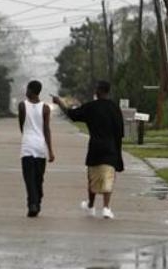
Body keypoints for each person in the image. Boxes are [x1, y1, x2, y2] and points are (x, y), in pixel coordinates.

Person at [52, 80, 124, 219]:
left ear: (99, 91)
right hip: (110, 147)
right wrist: (118, 154)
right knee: (108, 177)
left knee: (92, 176)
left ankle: (91, 205)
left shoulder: (91, 107)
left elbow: (72, 114)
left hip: (95, 147)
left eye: (96, 88)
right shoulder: (114, 108)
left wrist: (59, 102)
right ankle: (106, 208)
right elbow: (119, 132)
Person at [18, 80, 55, 217]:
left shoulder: (24, 106)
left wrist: (50, 150)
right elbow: (46, 130)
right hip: (38, 147)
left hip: (29, 146)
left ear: (32, 91)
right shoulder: (44, 108)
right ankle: (33, 204)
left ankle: (36, 200)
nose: (26, 92)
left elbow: (22, 125)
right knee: (34, 178)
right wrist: (50, 150)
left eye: (27, 89)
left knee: (33, 179)